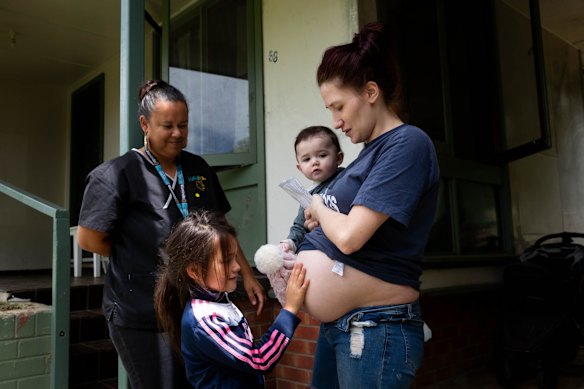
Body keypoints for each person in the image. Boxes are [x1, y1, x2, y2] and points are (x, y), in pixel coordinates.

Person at [76, 80, 266, 389]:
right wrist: (136, 252)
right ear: (145, 124)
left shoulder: (199, 168)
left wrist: (246, 274)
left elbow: (220, 228)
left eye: (183, 125)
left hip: (193, 311)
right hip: (140, 311)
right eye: (167, 126)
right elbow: (89, 239)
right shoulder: (117, 174)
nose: (178, 133)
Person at [296, 22, 440, 388]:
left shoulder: (407, 143)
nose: (336, 121)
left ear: (371, 92)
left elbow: (348, 238)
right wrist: (320, 220)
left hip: (377, 328)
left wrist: (318, 204)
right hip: (343, 325)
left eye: (339, 106)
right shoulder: (366, 156)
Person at [154, 210, 309, 388]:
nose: (236, 267)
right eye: (226, 261)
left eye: (235, 257)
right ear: (195, 271)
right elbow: (259, 360)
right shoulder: (205, 320)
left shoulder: (217, 300)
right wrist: (290, 310)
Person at [280, 125, 344, 253]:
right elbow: (299, 227)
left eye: (322, 155)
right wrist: (289, 243)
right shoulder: (307, 195)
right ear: (300, 168)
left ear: (339, 158)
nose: (314, 162)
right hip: (321, 248)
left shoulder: (346, 181)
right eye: (307, 159)